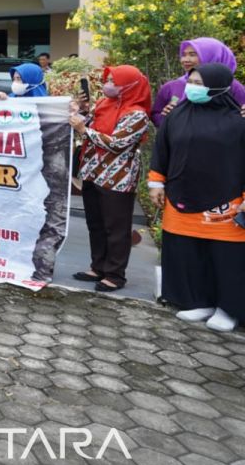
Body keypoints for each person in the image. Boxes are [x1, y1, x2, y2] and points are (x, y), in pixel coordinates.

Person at [149, 64, 245, 331]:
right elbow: (162, 150)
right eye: (191, 80)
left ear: (219, 86)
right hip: (181, 197)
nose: (192, 86)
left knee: (226, 259)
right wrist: (156, 182)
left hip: (225, 203)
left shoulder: (238, 120)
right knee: (186, 253)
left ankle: (228, 308)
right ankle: (197, 301)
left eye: (200, 82)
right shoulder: (177, 115)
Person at [69, 65, 151, 293]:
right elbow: (86, 124)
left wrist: (85, 130)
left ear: (131, 86)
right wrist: (79, 111)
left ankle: (115, 274)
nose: (109, 85)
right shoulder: (104, 104)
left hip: (118, 177)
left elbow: (117, 143)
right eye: (109, 80)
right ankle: (98, 267)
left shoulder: (137, 113)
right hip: (92, 171)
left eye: (115, 82)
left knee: (116, 227)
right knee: (95, 223)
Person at [151, 37, 245, 127]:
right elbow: (156, 116)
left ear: (212, 56)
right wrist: (168, 118)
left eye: (192, 55)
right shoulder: (172, 86)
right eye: (184, 55)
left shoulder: (231, 87)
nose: (185, 60)